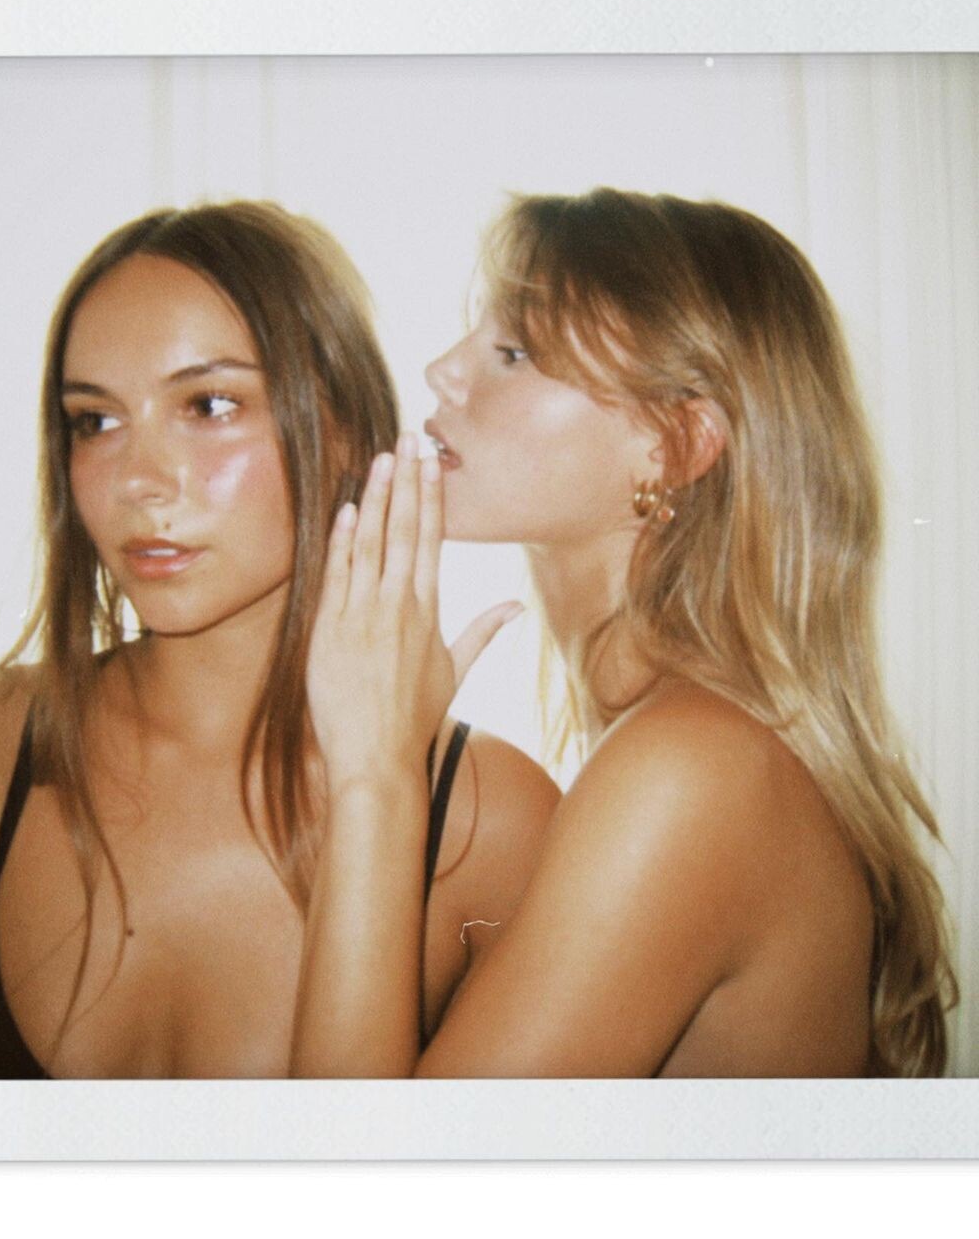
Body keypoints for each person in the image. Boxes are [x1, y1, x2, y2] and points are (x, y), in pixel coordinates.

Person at [295, 188, 958, 1078]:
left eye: (514, 352)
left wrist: (374, 773)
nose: (443, 370)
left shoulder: (692, 768)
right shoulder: (698, 744)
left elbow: (365, 1164)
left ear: (676, 445)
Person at [0, 200, 558, 1078]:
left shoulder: (495, 821)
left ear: (344, 429)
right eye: (94, 420)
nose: (139, 481)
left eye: (209, 405)